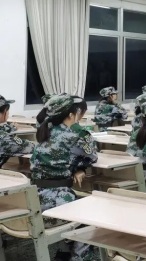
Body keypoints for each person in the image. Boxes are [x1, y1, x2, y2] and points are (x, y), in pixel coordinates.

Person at [30, 94, 98, 260]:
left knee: (75, 204)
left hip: (33, 200)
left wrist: (78, 168)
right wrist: (81, 168)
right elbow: (92, 157)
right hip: (54, 204)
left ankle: (64, 253)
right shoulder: (76, 135)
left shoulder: (46, 131)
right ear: (71, 115)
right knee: (91, 215)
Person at [0, 96, 35, 167]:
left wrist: (12, 128)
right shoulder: (5, 139)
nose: (9, 113)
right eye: (8, 110)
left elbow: (3, 129)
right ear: (4, 112)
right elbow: (30, 147)